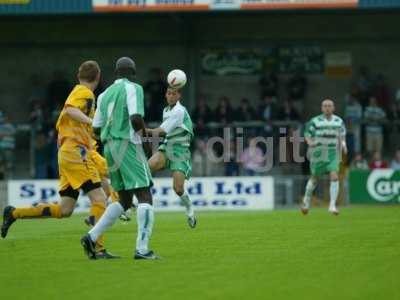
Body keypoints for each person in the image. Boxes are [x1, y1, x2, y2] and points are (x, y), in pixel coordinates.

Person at [1, 61, 116, 258]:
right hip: (75, 151)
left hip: (67, 152)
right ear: (98, 78)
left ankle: (14, 213)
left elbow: (84, 122)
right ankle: (98, 248)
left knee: (65, 209)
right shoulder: (85, 93)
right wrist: (91, 121)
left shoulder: (82, 94)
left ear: (79, 75)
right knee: (99, 200)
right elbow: (71, 109)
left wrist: (100, 126)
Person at [80, 57, 160, 260]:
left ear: (116, 73)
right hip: (127, 144)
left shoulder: (104, 94)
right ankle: (142, 250)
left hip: (109, 147)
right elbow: (135, 118)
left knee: (124, 199)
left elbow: (96, 127)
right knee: (144, 194)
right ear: (133, 73)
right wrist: (147, 143)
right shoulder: (134, 88)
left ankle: (92, 236)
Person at [146, 83, 197, 228]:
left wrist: (141, 130)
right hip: (167, 148)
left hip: (180, 151)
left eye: (173, 94)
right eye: (168, 93)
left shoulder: (180, 111)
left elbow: (161, 131)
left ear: (179, 96)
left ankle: (189, 209)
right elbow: (165, 134)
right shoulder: (165, 110)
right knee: (146, 168)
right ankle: (135, 202)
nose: (170, 96)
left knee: (178, 189)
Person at [301, 99, 347, 216]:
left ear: (333, 108)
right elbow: (307, 134)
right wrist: (310, 142)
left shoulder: (339, 121)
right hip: (319, 152)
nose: (327, 108)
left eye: (329, 106)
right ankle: (306, 200)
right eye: (325, 106)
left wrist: (343, 145)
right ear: (322, 108)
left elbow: (341, 135)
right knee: (314, 178)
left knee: (334, 176)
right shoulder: (315, 121)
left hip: (332, 152)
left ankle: (332, 205)